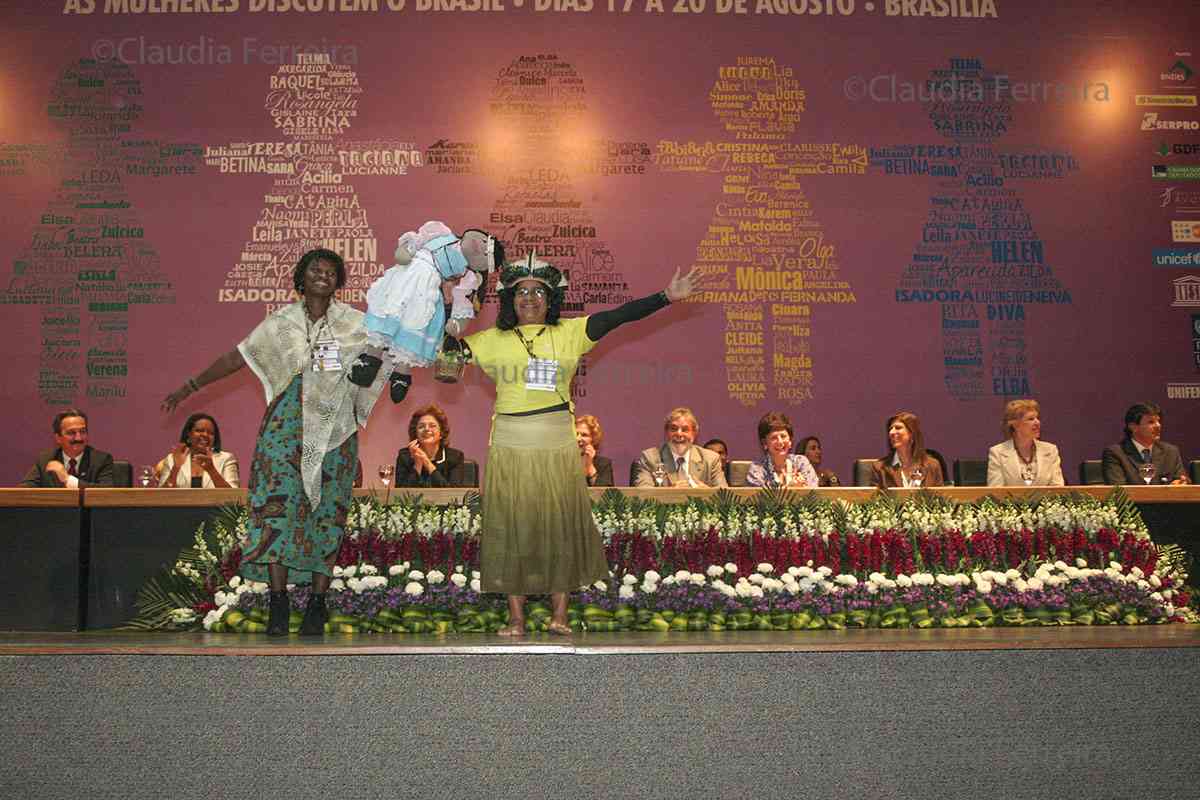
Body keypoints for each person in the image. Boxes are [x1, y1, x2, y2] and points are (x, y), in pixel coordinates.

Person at [463, 254, 703, 636]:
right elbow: (443, 357)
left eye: (537, 292)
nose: (529, 298)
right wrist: (450, 309)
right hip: (510, 441)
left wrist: (665, 297)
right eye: (521, 291)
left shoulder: (571, 332)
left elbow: (618, 316)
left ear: (550, 299)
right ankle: (516, 619)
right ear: (510, 299)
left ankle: (559, 616)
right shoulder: (489, 341)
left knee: (560, 525)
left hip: (557, 439)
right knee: (512, 526)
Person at [162, 248, 387, 637]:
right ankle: (278, 602)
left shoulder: (356, 325)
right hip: (284, 429)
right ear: (301, 277)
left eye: (332, 272)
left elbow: (380, 360)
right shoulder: (280, 323)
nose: (323, 275)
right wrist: (191, 386)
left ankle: (318, 604)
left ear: (339, 283)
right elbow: (238, 357)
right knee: (276, 511)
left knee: (327, 512)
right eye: (315, 269)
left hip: (334, 432)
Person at [348, 222, 503, 402]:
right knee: (386, 314)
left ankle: (401, 374)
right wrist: (407, 250)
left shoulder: (465, 277)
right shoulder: (440, 233)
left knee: (414, 328)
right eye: (485, 241)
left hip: (427, 292)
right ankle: (370, 361)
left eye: (486, 252)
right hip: (403, 280)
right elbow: (415, 240)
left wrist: (456, 323)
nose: (482, 246)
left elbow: (462, 303)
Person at [633, 408, 728, 488]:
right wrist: (671, 493)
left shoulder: (711, 459)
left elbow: (725, 498)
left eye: (685, 429)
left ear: (694, 433)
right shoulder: (650, 458)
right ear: (666, 432)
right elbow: (643, 495)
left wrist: (706, 493)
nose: (679, 434)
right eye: (673, 429)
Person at [19, 408, 114, 488]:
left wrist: (67, 479)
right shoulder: (46, 460)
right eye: (71, 433)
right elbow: (24, 491)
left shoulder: (101, 460)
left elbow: (107, 493)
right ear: (58, 438)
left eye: (82, 431)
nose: (78, 438)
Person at [1102, 402, 1190, 485]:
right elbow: (1118, 490)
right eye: (1151, 422)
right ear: (1133, 427)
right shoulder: (1116, 454)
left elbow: (1181, 479)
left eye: (1158, 421)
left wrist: (1181, 483)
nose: (1158, 425)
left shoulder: (1171, 452)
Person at [986, 399, 1064, 486]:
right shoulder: (997, 452)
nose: (1037, 422)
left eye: (1037, 418)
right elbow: (996, 491)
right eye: (1031, 419)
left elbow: (1057, 488)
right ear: (1015, 425)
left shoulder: (1050, 450)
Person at [154, 412, 240, 488]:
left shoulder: (226, 459)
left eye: (211, 433)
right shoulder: (172, 459)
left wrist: (212, 470)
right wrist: (176, 468)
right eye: (199, 430)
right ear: (188, 434)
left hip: (214, 506)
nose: (205, 435)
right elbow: (162, 496)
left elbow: (233, 496)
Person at [394, 403, 468, 488]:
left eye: (432, 426)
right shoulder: (405, 456)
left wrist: (426, 462)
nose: (427, 429)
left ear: (441, 433)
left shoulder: (455, 457)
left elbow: (453, 494)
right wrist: (417, 464)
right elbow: (401, 495)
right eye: (421, 426)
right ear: (415, 433)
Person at [870, 411, 945, 488]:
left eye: (898, 428)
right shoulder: (879, 468)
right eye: (890, 429)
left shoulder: (933, 466)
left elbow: (941, 498)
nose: (891, 432)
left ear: (912, 434)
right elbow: (874, 499)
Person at [746, 412, 820, 489]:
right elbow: (758, 499)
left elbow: (814, 493)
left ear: (790, 441)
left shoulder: (801, 462)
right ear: (765, 443)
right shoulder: (757, 469)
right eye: (774, 438)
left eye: (783, 436)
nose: (780, 442)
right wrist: (790, 489)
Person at [575, 414, 614, 487]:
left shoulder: (604, 464)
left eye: (584, 435)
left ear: (593, 439)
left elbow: (604, 496)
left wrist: (590, 466)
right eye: (576, 434)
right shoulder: (563, 462)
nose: (578, 438)